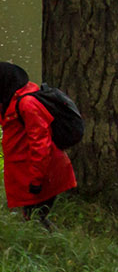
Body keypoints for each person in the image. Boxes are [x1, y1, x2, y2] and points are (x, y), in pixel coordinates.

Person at [1, 61, 76, 227]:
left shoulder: (27, 104)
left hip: (41, 173)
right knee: (33, 218)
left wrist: (36, 181)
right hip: (28, 171)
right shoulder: (10, 100)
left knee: (35, 219)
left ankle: (51, 245)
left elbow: (41, 144)